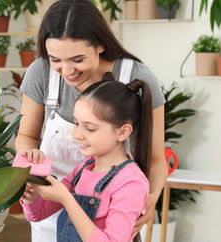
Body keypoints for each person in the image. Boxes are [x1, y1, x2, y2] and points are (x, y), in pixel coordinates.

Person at [15, 0, 168, 241]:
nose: (66, 71)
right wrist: (32, 172)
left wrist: (148, 201)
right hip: (54, 201)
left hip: (111, 212)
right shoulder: (79, 172)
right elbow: (26, 137)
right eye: (55, 59)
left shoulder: (137, 77)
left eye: (77, 60)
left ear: (100, 45)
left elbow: (157, 158)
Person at [20, 75, 152, 242]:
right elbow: (38, 214)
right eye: (76, 123)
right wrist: (32, 193)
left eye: (89, 128)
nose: (76, 134)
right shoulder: (83, 169)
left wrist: (67, 199)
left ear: (123, 132)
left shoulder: (131, 183)